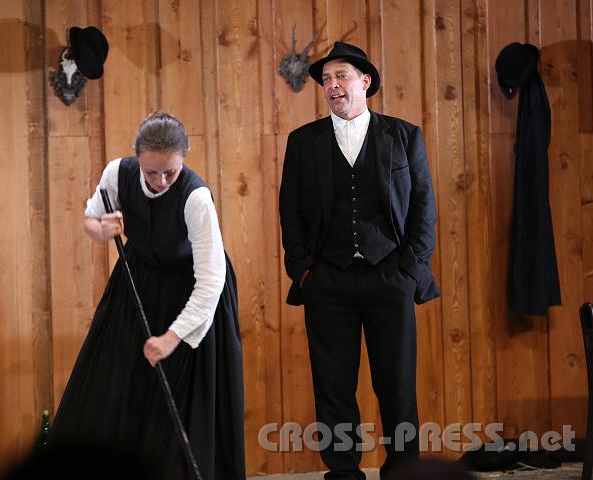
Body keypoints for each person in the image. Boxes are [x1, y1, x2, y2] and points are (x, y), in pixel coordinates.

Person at [49, 112, 246, 480]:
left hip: (194, 291)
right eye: (151, 172)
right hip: (138, 282)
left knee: (187, 400)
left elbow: (211, 279)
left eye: (169, 172)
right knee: (115, 382)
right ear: (138, 156)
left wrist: (173, 337)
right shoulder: (117, 173)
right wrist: (100, 229)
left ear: (182, 158)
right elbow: (92, 220)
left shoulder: (196, 196)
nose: (160, 181)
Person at [279, 42, 440, 480]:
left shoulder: (403, 136)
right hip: (326, 282)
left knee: (398, 386)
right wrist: (304, 270)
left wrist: (409, 270)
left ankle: (404, 471)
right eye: (327, 79)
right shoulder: (303, 141)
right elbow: (289, 212)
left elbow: (424, 207)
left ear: (364, 82)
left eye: (341, 76)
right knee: (333, 388)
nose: (332, 85)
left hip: (391, 277)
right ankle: (343, 473)